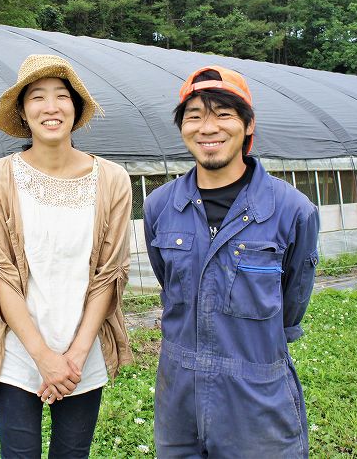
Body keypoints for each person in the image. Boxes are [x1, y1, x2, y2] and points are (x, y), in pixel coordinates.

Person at [144, 66, 320, 458]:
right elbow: (168, 281)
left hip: (256, 395)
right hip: (179, 398)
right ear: (182, 128)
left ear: (247, 124)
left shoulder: (291, 210)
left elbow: (292, 304)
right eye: (194, 116)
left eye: (223, 113)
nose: (208, 127)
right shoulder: (160, 207)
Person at [0, 54, 133, 458]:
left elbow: (109, 274)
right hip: (18, 351)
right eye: (37, 97)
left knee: (72, 454)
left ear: (75, 109)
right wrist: (44, 357)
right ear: (23, 112)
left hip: (84, 352)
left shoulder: (112, 179)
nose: (51, 106)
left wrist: (74, 356)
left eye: (62, 96)